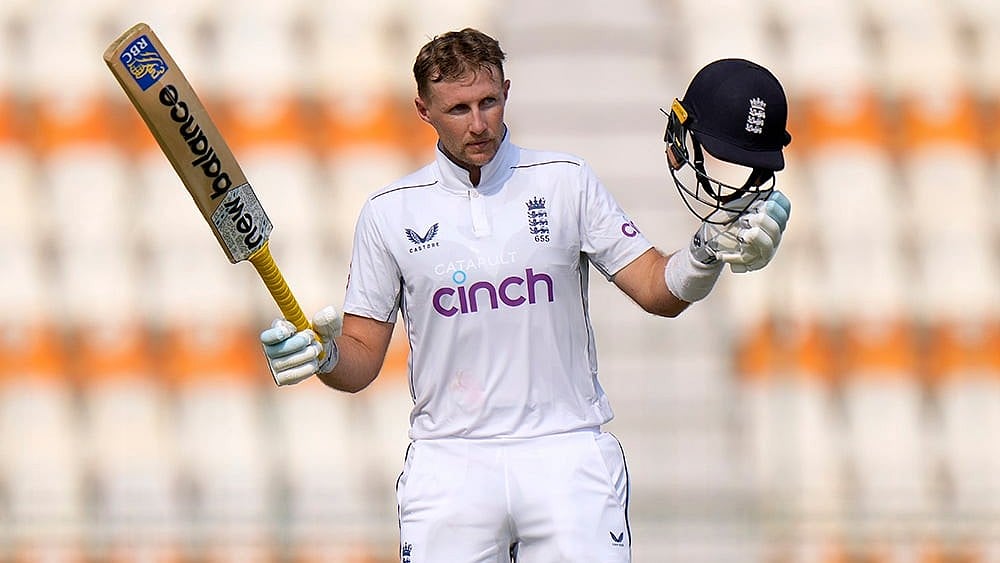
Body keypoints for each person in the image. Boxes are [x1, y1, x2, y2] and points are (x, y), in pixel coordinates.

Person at [260, 28, 791, 562]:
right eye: (458, 108)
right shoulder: (389, 212)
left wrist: (705, 253)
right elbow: (361, 358)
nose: (478, 123)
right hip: (450, 462)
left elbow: (658, 289)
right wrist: (323, 355)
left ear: (507, 91)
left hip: (565, 450)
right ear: (423, 110)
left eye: (489, 102)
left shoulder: (566, 181)